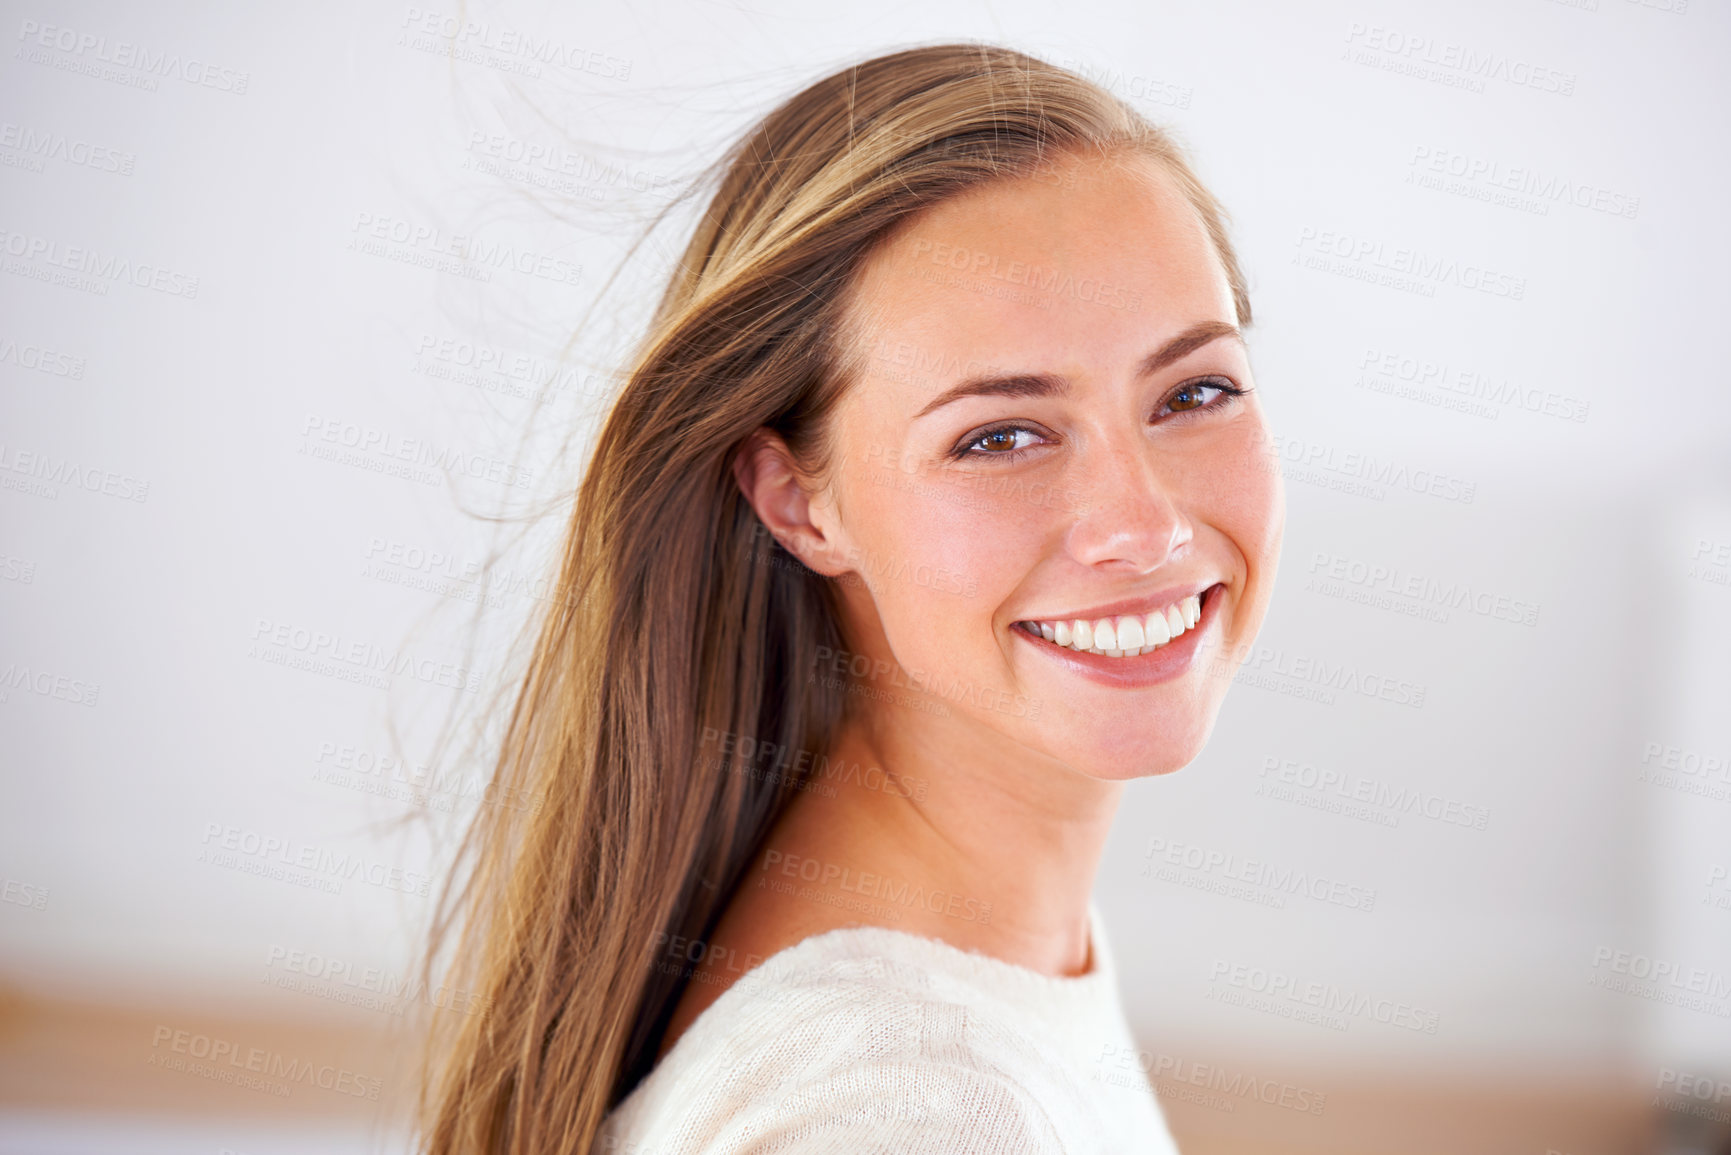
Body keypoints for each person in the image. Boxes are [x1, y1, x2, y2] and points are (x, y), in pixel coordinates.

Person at [420, 43, 1284, 1155]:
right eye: (1001, 436)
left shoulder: (985, 969)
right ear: (797, 503)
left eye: (1196, 390)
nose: (1145, 524)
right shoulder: (900, 1109)